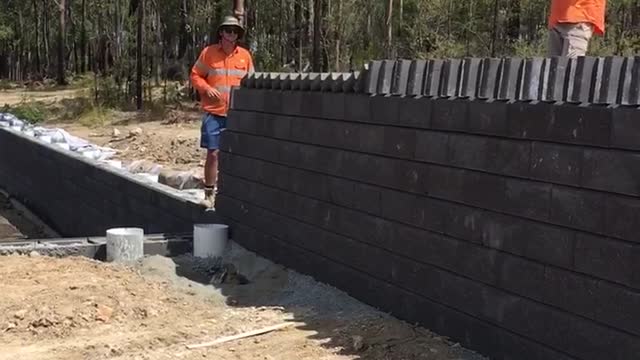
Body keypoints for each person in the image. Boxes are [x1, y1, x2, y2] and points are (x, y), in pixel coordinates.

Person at [190, 15, 254, 207]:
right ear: (221, 33)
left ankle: (235, 194)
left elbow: (251, 82)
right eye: (228, 31)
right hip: (214, 112)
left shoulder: (245, 56)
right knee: (214, 152)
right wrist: (206, 88)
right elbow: (195, 75)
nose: (231, 34)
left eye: (235, 32)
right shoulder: (209, 53)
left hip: (236, 114)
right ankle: (209, 193)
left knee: (236, 154)